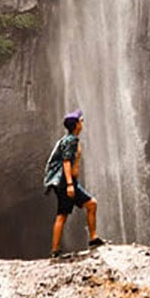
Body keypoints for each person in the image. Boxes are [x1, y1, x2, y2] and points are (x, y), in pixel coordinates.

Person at [43, 109, 105, 257]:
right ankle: (89, 239)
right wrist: (70, 184)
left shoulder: (69, 139)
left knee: (67, 213)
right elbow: (65, 162)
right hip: (66, 183)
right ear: (76, 125)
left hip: (66, 182)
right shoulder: (71, 140)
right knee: (86, 206)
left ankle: (89, 239)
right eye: (80, 120)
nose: (82, 122)